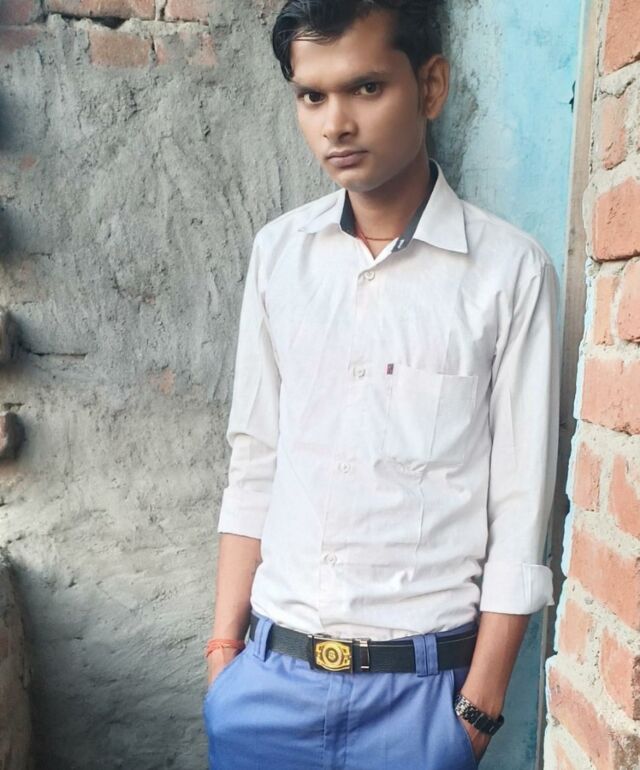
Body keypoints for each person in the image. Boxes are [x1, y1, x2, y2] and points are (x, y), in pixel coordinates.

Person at [202, 1, 561, 768]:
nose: (336, 123)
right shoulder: (279, 256)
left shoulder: (509, 273)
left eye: (366, 88)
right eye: (312, 95)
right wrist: (223, 657)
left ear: (430, 87)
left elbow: (520, 506)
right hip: (267, 687)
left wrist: (477, 712)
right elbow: (255, 459)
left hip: (423, 704)